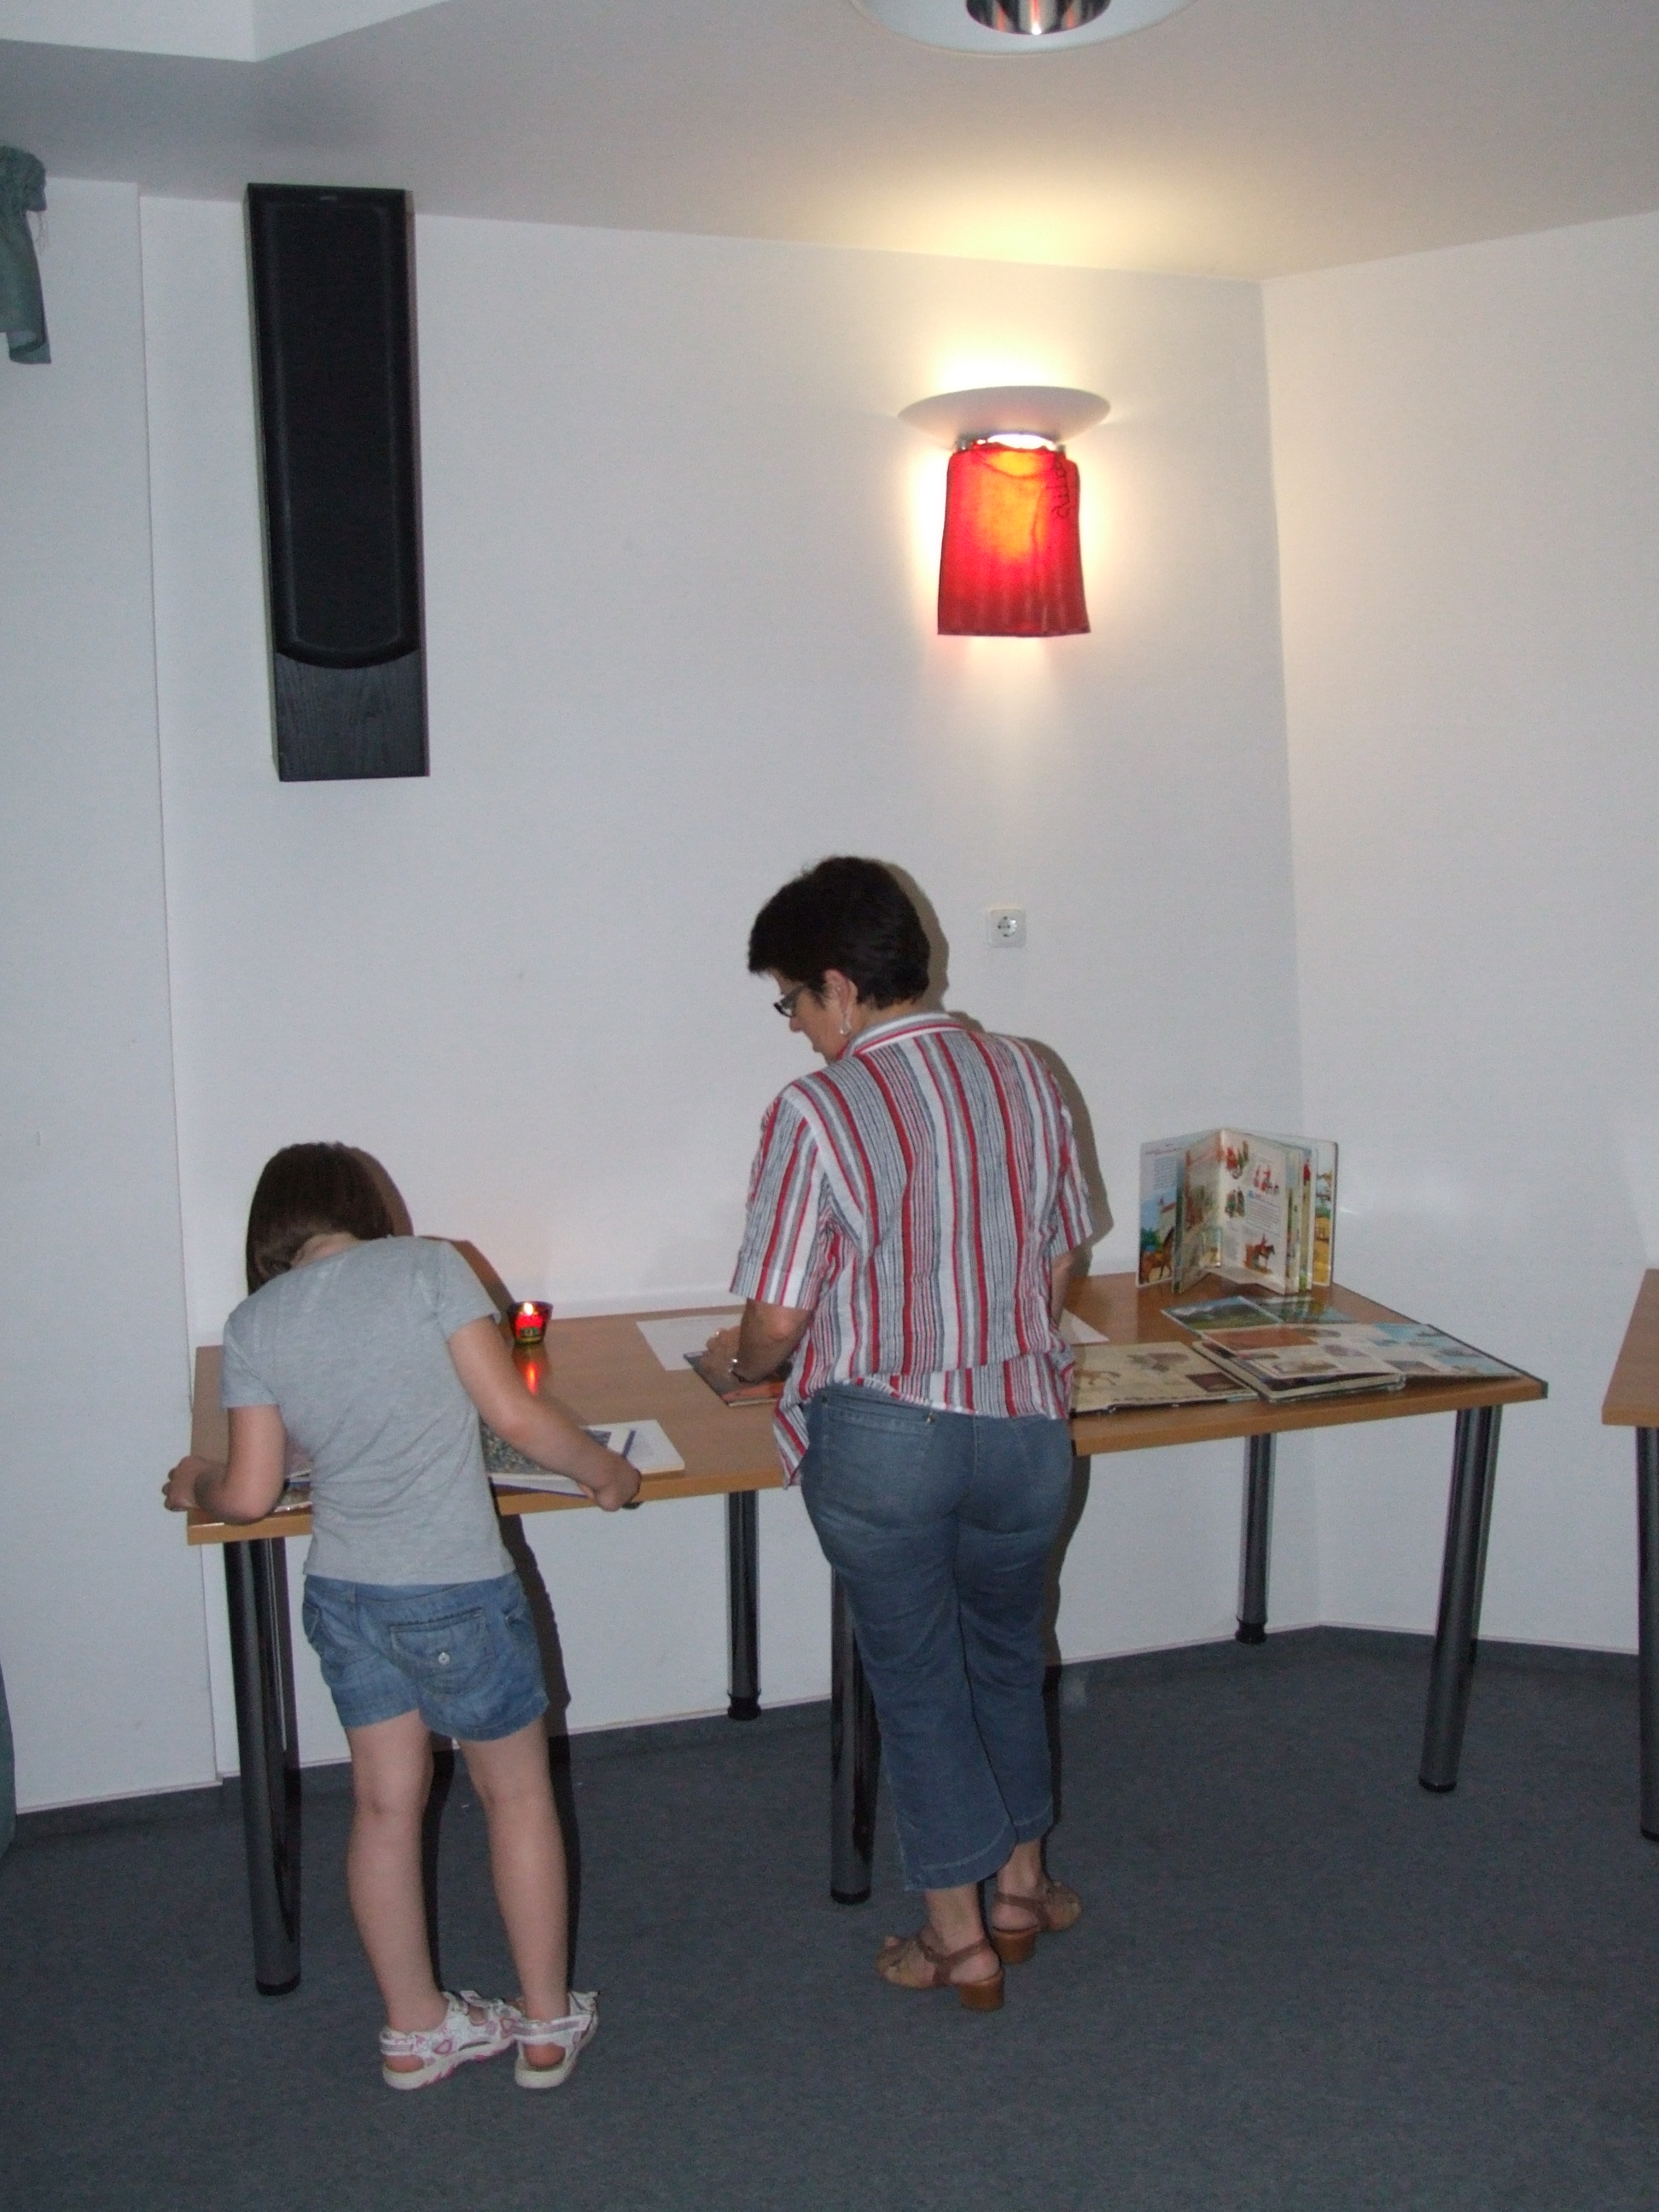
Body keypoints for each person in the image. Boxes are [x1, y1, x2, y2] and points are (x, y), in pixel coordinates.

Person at [702, 858, 1094, 2011]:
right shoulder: (1027, 1072)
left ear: (838, 985)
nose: (797, 1028)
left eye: (792, 1003)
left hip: (887, 1438)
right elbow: (1061, 1258)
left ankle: (956, 1943)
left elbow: (779, 1320)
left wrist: (743, 1368)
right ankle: (1021, 1889)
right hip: (1024, 1426)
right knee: (1008, 1655)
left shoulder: (818, 1110)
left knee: (918, 1681)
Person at [164, 1144, 639, 2089]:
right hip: (455, 1589)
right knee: (515, 1796)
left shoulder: (254, 1321)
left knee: (384, 1806)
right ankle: (546, 2027)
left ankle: (416, 2031)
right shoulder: (428, 1267)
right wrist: (606, 1473)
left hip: (346, 1597)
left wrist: (196, 1481)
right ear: (367, 1208)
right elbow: (513, 1416)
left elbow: (249, 1494)